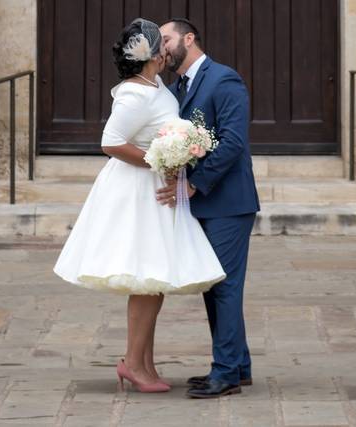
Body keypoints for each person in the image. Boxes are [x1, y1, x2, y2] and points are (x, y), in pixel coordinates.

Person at [53, 18, 225, 394]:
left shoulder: (156, 84)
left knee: (154, 280)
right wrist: (158, 159)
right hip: (137, 191)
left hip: (156, 190)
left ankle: (143, 361)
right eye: (160, 43)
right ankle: (134, 364)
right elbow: (111, 141)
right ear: (149, 54)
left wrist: (178, 149)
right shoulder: (135, 93)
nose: (167, 48)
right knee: (146, 279)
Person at [157, 18, 260, 399]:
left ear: (189, 38)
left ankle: (226, 373)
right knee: (214, 285)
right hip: (203, 204)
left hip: (229, 202)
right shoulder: (177, 87)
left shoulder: (224, 79)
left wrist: (196, 182)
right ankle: (239, 366)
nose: (162, 47)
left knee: (224, 287)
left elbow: (233, 141)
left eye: (166, 39)